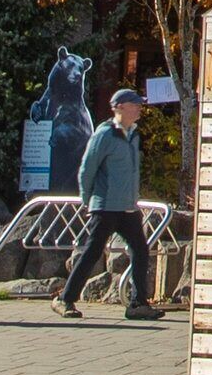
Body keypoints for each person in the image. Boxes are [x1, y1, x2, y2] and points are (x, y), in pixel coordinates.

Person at [55, 88, 159, 321]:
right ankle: (65, 299)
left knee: (141, 250)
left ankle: (138, 303)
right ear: (119, 107)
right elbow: (86, 170)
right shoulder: (104, 135)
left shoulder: (133, 134)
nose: (139, 109)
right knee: (92, 253)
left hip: (127, 207)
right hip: (105, 205)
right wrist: (87, 201)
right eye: (134, 105)